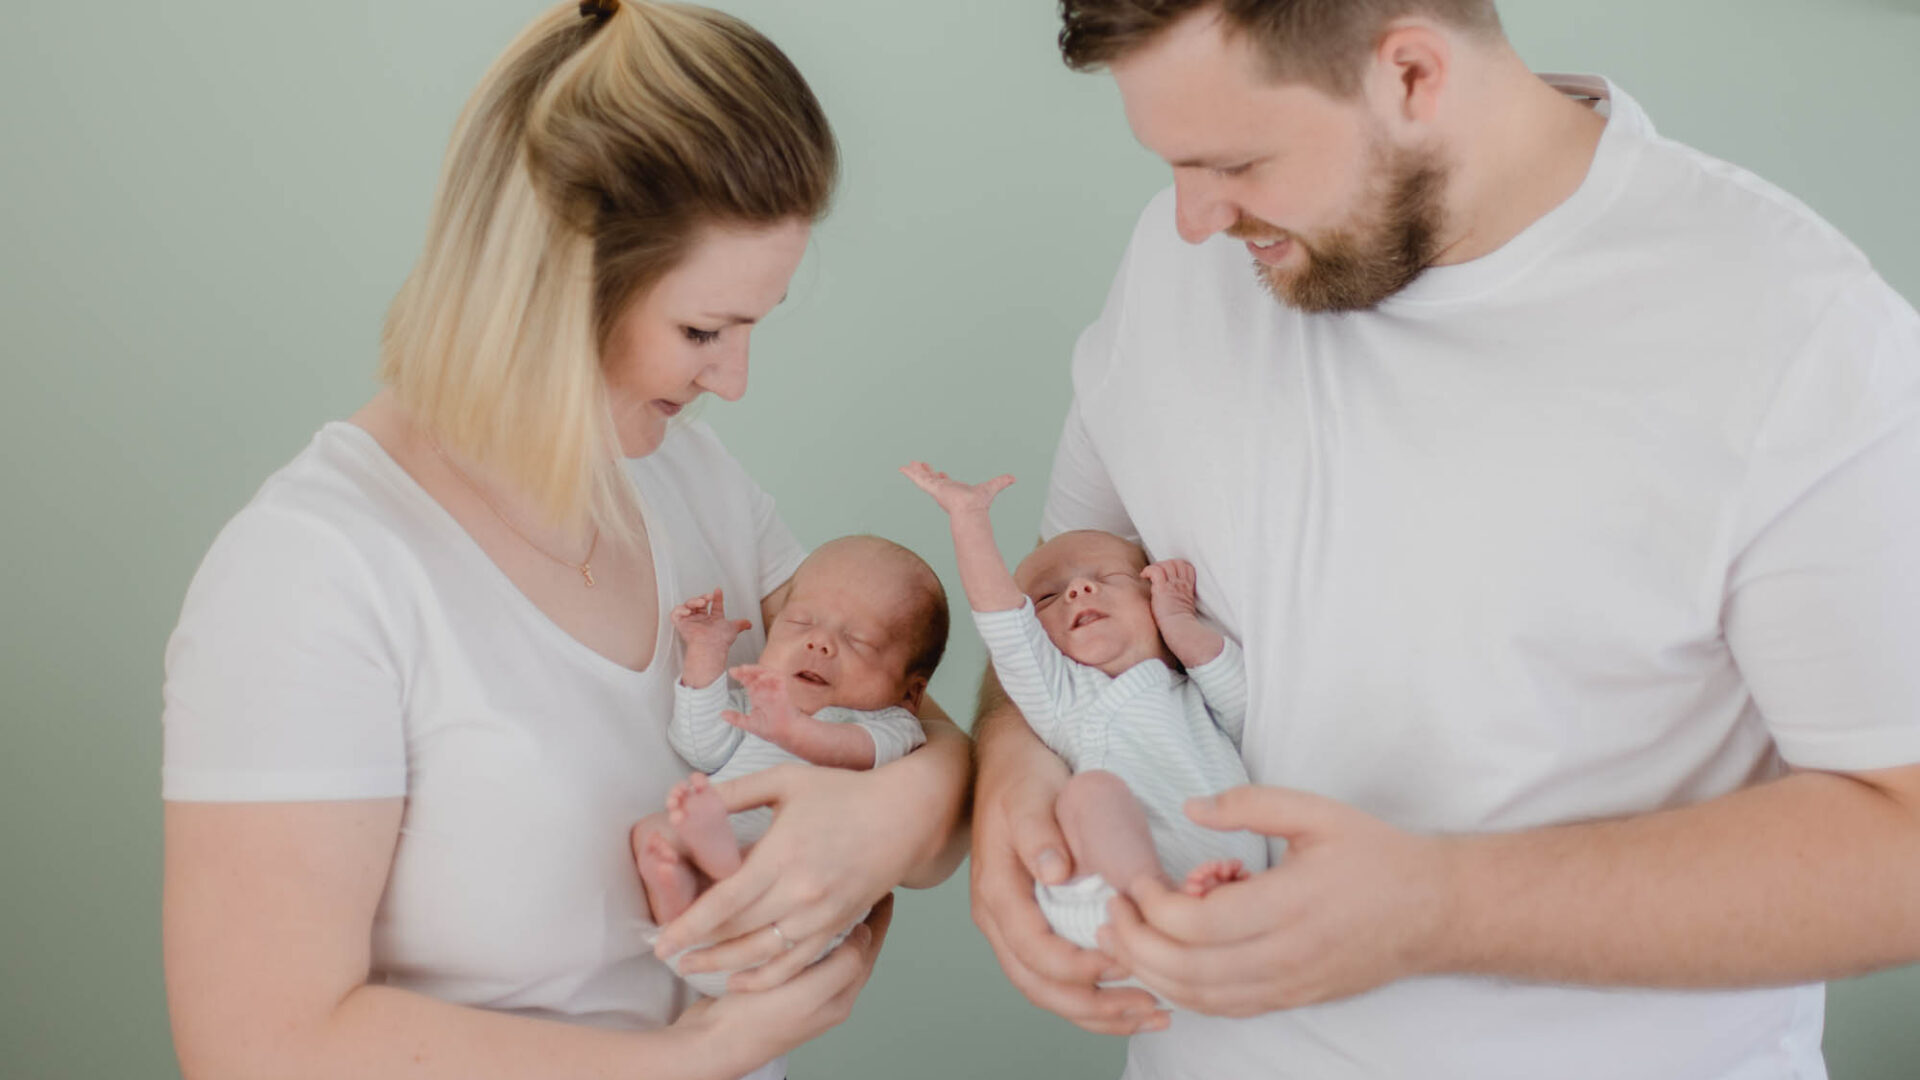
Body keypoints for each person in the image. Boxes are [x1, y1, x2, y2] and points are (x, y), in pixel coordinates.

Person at [970, 2, 1920, 1078]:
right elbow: (1084, 555)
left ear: (1413, 73)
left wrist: (1440, 908)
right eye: (1177, 165)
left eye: (1236, 160)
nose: (1192, 218)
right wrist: (1012, 765)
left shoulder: (1797, 335)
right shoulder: (1191, 252)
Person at [160, 4, 969, 1080]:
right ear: (554, 287)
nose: (733, 381)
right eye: (702, 332)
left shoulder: (692, 479)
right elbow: (258, 1047)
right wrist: (708, 1052)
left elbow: (927, 750)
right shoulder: (314, 575)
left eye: (750, 329)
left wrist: (885, 821)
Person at [903, 463, 1264, 957]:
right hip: (1109, 898)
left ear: (1152, 595)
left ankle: (1184, 909)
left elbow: (1249, 704)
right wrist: (968, 519)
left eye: (1107, 577)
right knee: (1089, 794)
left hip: (1228, 868)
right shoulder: (1064, 693)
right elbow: (1002, 616)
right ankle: (1153, 895)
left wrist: (1179, 619)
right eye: (1048, 597)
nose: (1077, 590)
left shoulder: (1190, 691)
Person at [636, 536, 949, 996]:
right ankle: (677, 891)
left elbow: (851, 750)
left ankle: (713, 865)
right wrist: (706, 654)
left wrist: (790, 729)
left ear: (910, 693)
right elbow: (698, 744)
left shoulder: (891, 726)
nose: (820, 643)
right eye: (801, 622)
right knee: (653, 833)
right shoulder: (757, 701)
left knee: (747, 848)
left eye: (858, 640)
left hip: (797, 916)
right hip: (698, 945)